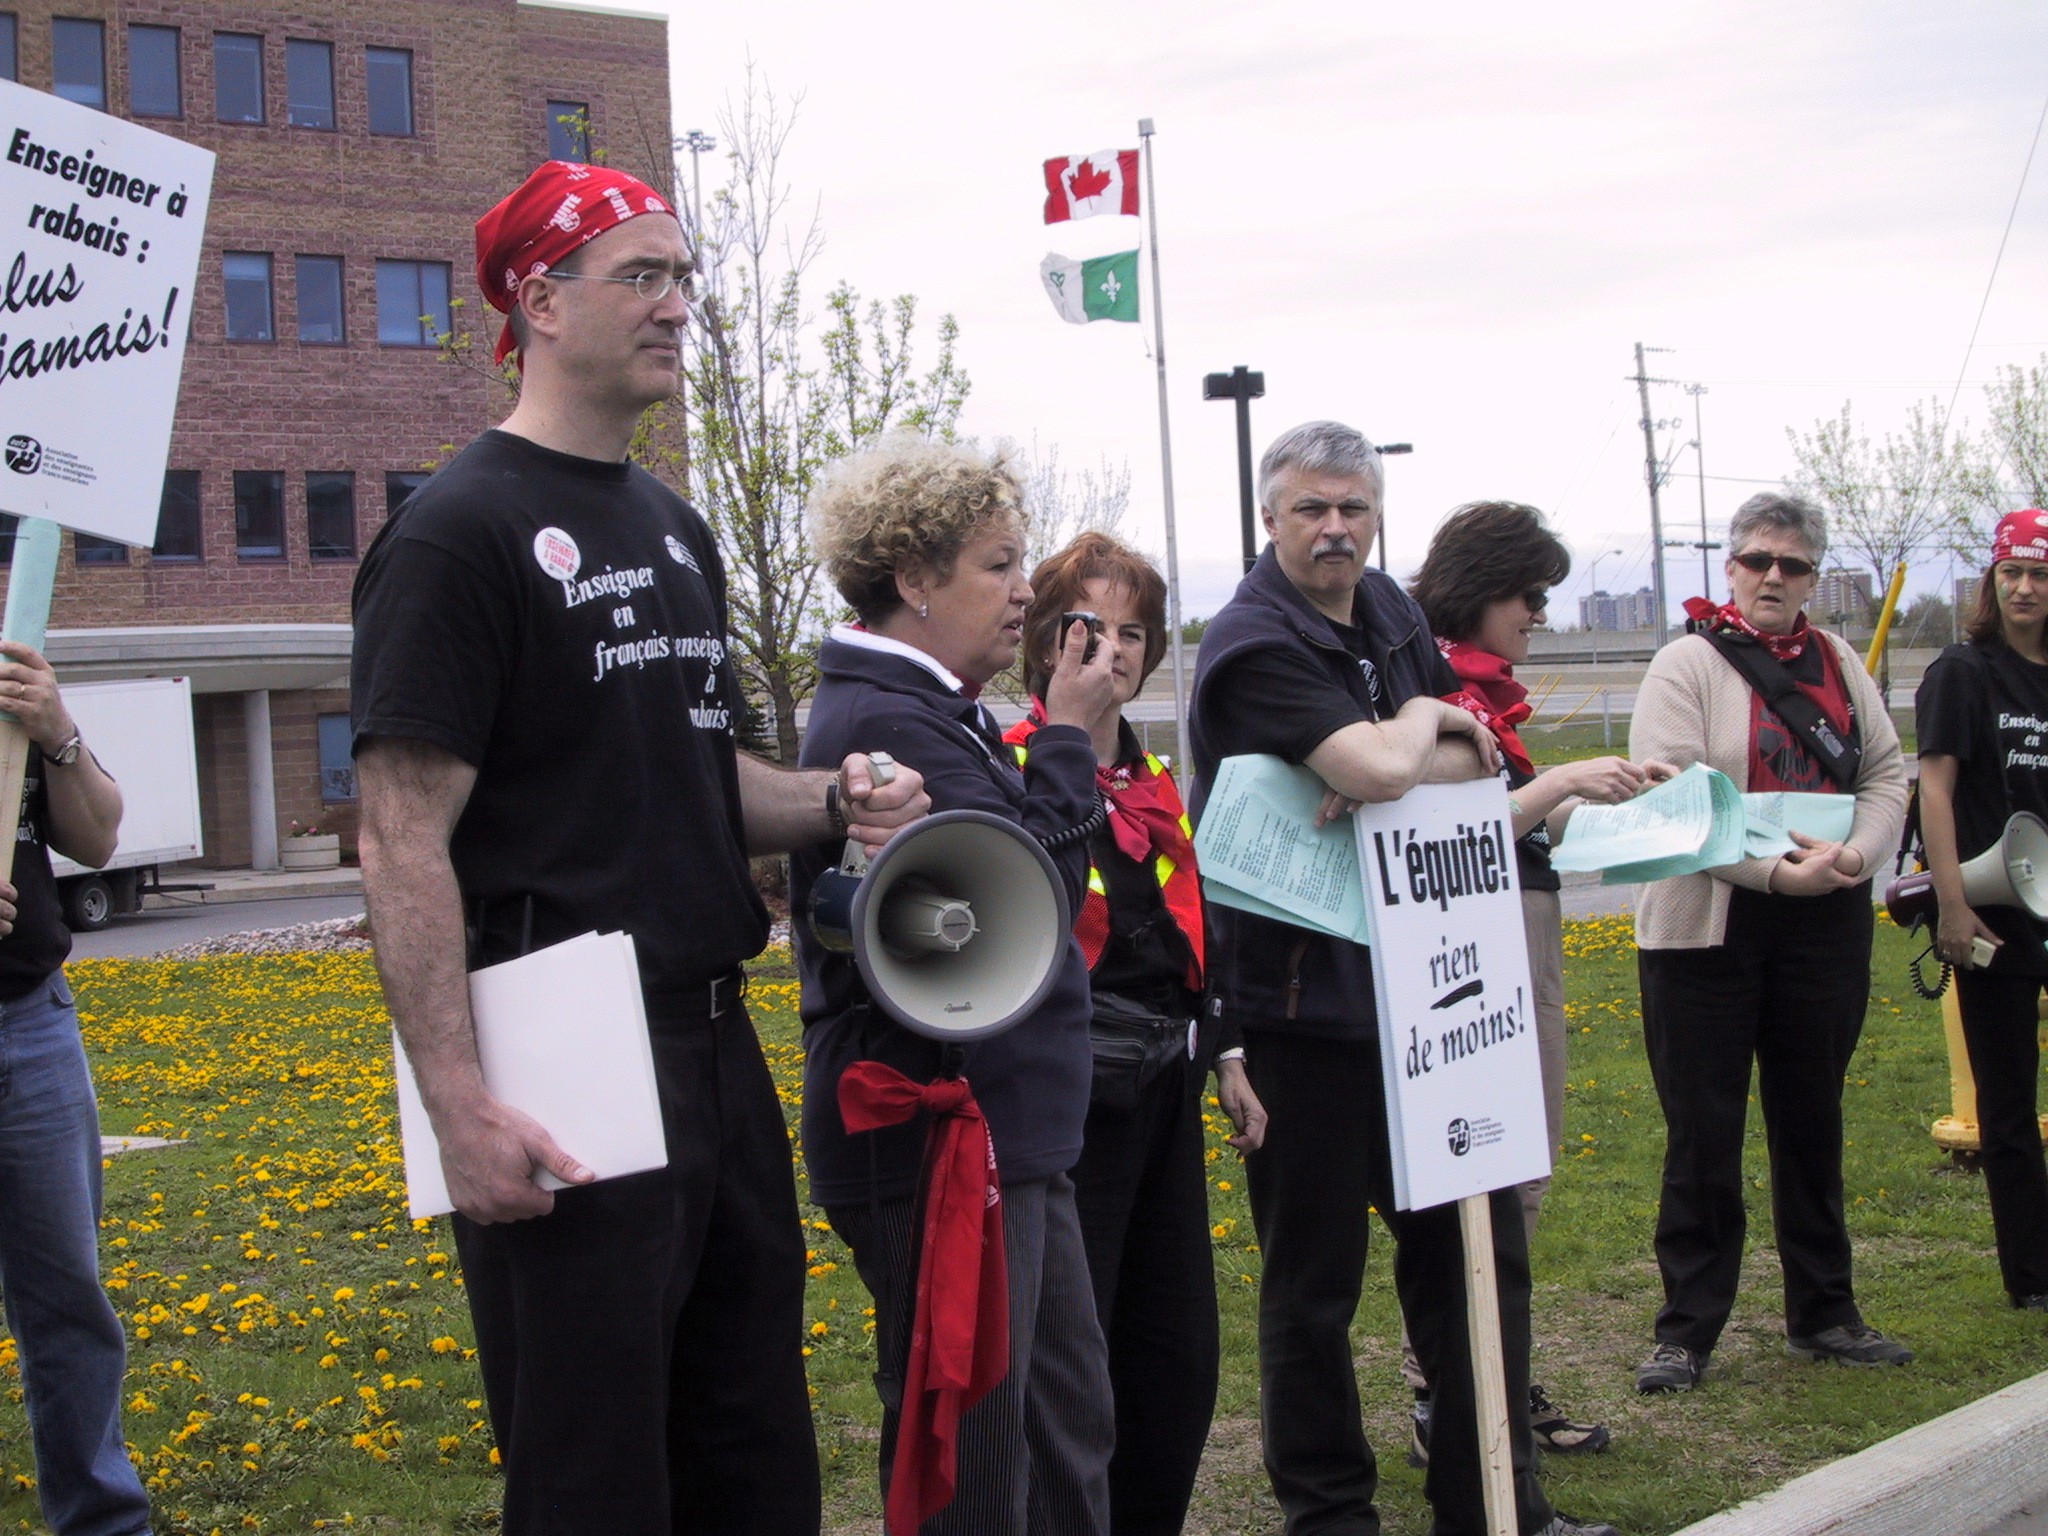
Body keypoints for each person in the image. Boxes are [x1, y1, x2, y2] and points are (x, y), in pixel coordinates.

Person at [350, 160, 928, 1536]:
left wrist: (838, 796)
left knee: (747, 1439)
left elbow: (705, 780)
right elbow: (398, 837)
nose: (680, 308)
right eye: (644, 277)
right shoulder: (457, 533)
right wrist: (458, 1101)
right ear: (540, 302)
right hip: (562, 1042)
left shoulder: (674, 529)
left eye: (686, 278)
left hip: (715, 1041)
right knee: (596, 1468)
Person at [1189, 420, 1616, 1536]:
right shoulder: (1250, 644)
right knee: (1312, 1292)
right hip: (1302, 1016)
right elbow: (1397, 765)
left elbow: (1481, 763)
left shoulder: (1384, 610)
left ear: (1377, 515)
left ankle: (1490, 1505)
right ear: (1267, 519)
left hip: (1431, 993)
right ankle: (1330, 1516)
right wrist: (1420, 731)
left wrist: (1417, 741)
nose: (1334, 529)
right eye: (1309, 510)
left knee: (1475, 1257)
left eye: (1353, 508)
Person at [793, 435, 1118, 1535]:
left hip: (1001, 1130)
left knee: (1059, 1423)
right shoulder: (887, 720)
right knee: (976, 1451)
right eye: (996, 563)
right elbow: (1030, 889)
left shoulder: (929, 711)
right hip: (942, 1139)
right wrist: (1070, 734)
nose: (1025, 589)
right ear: (914, 580)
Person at [1003, 532, 1268, 1535]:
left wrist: (1228, 1054)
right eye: (1086, 626)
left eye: (1131, 632)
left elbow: (1193, 931)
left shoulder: (1155, 781)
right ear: (1041, 641)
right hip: (1073, 1099)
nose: (1110, 650)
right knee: (1083, 1349)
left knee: (1177, 1352)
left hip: (1163, 1083)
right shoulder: (1017, 767)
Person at [1630, 491, 1909, 1394]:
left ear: (1813, 579)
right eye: (1757, 560)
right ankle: (1687, 1328)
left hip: (1822, 922)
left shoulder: (1838, 665)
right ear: (1732, 568)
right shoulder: (1686, 664)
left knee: (1812, 1119)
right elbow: (1675, 803)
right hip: (1707, 926)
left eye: (1791, 565)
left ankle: (1825, 1312)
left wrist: (1861, 854)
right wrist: (1774, 872)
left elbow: (1885, 773)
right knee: (1702, 1133)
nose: (1772, 578)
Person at [1409, 501, 1671, 1461]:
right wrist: (1558, 785)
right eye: (1529, 596)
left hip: (1523, 931)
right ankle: (1472, 1392)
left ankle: (1485, 1381)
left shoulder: (1484, 695)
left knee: (1519, 1171)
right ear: (1480, 589)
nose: (1539, 616)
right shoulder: (1431, 689)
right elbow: (1450, 836)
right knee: (1497, 1174)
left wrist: (1618, 794)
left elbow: (1515, 820)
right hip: (1481, 950)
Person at [0, 643, 145, 1536]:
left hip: (31, 1021)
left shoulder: (13, 684)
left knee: (68, 1304)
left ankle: (103, 1524)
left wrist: (56, 732)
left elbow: (97, 836)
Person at [1914, 507, 2048, 1312]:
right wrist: (1952, 906)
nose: (2027, 588)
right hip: (1994, 913)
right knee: (2005, 1103)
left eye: (2040, 575)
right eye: (2013, 574)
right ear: (1992, 583)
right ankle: (2032, 1279)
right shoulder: (1964, 673)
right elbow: (1934, 787)